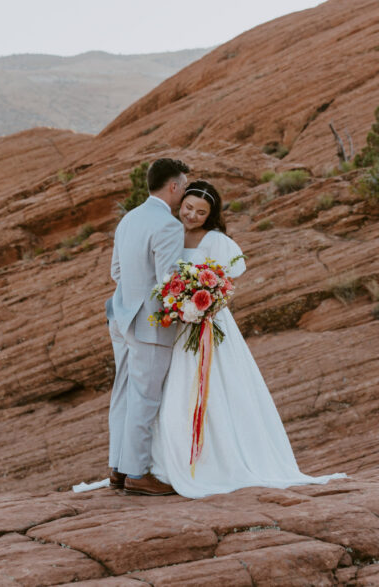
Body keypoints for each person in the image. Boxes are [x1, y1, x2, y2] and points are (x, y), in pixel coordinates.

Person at [148, 180, 344, 498]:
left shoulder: (215, 240)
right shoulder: (166, 231)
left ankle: (212, 460)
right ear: (180, 203)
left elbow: (227, 281)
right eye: (188, 207)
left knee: (214, 388)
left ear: (210, 216)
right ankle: (167, 462)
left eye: (201, 212)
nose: (192, 215)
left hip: (207, 320)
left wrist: (205, 302)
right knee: (170, 389)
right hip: (175, 320)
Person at [104, 158, 189, 495]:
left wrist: (132, 297)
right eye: (182, 186)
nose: (183, 192)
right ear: (173, 186)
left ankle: (117, 468)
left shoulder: (129, 219)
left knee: (123, 392)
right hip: (149, 323)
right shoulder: (168, 225)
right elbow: (169, 278)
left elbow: (117, 271)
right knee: (145, 397)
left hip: (120, 315)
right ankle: (138, 473)